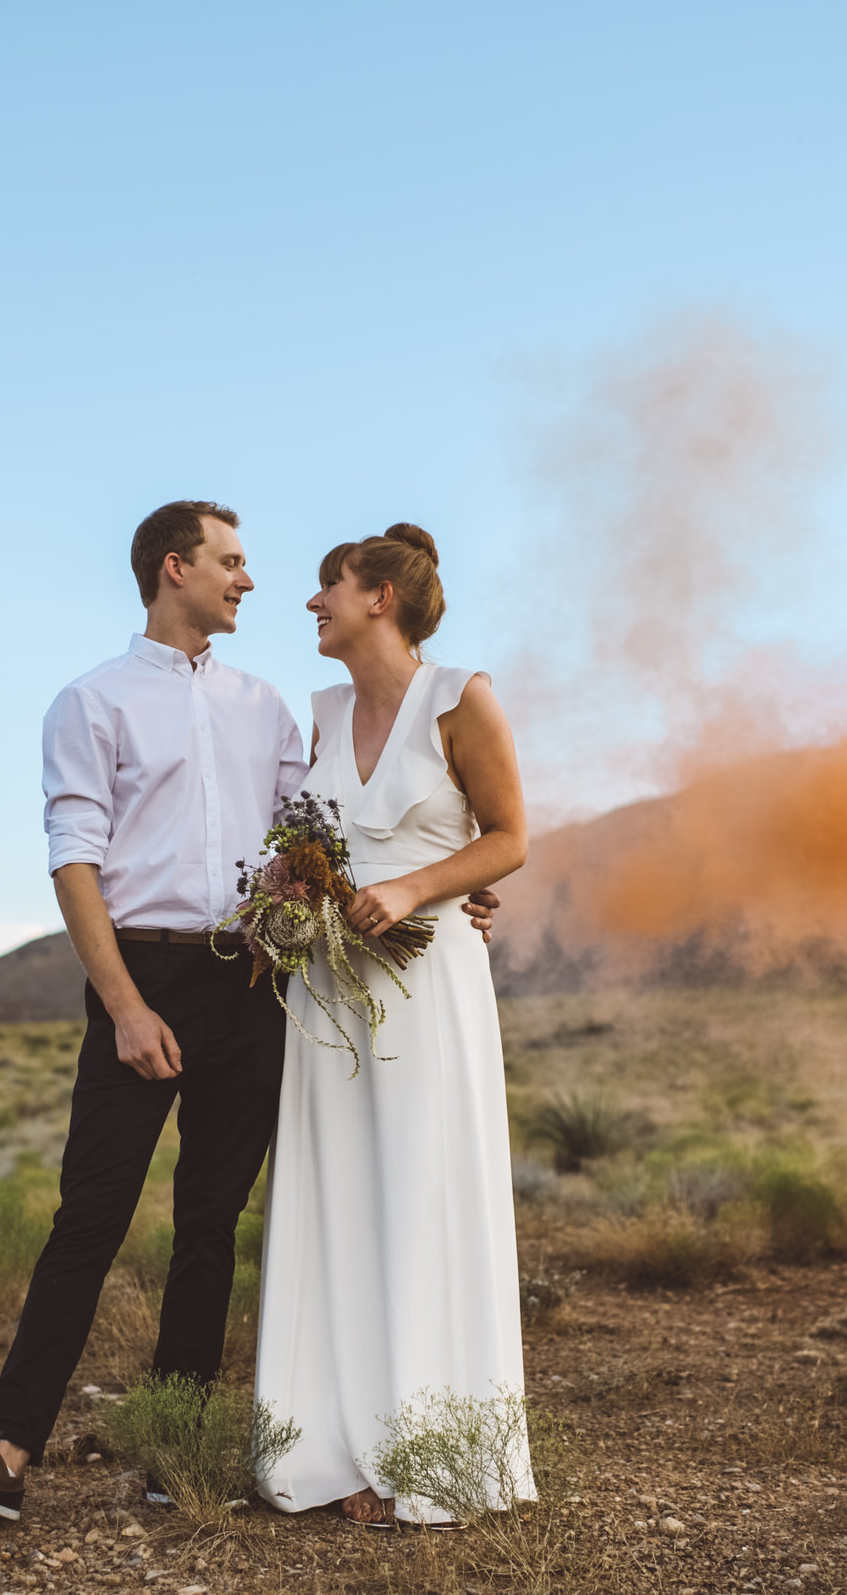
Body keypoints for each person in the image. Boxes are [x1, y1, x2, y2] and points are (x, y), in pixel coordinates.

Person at [0, 502, 498, 1526]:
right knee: (88, 1219)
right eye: (231, 562)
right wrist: (125, 1006)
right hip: (139, 983)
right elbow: (72, 859)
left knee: (209, 1226)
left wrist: (445, 884)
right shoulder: (90, 703)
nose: (249, 580)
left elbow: (318, 838)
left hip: (253, 983)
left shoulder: (270, 707)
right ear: (173, 568)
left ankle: (170, 1452)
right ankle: (4, 1455)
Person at [253, 522, 534, 1528]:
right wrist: (290, 886)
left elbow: (508, 836)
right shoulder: (322, 713)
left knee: (419, 1189)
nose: (311, 603)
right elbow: (303, 841)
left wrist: (415, 885)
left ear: (377, 594)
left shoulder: (462, 697)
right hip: (331, 987)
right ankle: (334, 1451)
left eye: (326, 585)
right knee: (337, 1195)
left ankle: (427, 1453)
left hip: (427, 980)